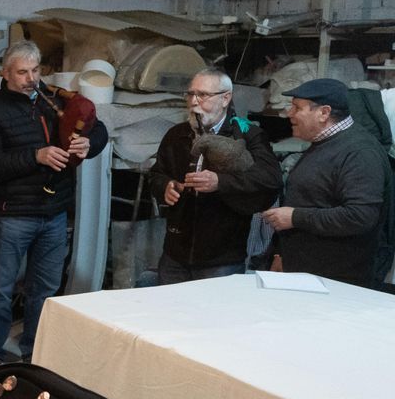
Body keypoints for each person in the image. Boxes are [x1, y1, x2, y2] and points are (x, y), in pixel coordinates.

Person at [0, 41, 108, 373]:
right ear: (5, 73)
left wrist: (91, 143)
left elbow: (97, 127)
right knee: (1, 288)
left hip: (54, 212)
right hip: (13, 213)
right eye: (22, 72)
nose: (30, 78)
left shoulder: (55, 99)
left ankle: (35, 352)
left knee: (44, 290)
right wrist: (37, 155)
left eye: (35, 70)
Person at [149, 69, 281, 283]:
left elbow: (270, 180)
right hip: (175, 255)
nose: (193, 102)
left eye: (203, 95)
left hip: (221, 260)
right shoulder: (176, 135)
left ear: (225, 98)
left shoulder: (248, 134)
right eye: (190, 94)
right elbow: (156, 173)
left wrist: (221, 182)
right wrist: (165, 185)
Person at [260, 78, 388, 287]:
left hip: (336, 283)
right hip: (307, 275)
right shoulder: (324, 143)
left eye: (297, 108)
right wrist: (282, 255)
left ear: (324, 113)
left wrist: (295, 217)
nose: (289, 114)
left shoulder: (360, 153)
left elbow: (360, 216)